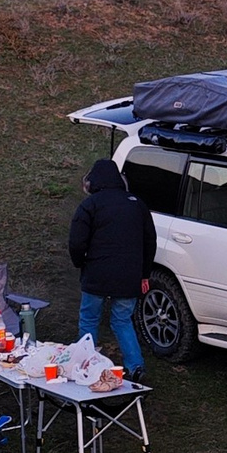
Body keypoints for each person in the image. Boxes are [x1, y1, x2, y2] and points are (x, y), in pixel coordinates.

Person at [67, 159, 156, 381]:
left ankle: (85, 365)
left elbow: (76, 243)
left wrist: (80, 263)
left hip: (96, 274)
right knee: (122, 321)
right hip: (129, 276)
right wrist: (144, 274)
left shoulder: (90, 205)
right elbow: (150, 242)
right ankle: (136, 367)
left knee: (89, 319)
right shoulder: (137, 204)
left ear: (93, 181)